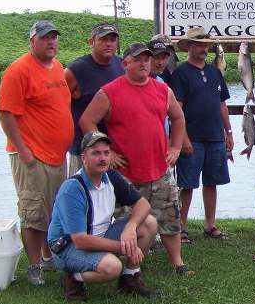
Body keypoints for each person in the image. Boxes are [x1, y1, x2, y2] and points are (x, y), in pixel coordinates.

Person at [79, 42, 192, 274]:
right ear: (125, 63)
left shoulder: (163, 90)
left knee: (170, 219)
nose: (144, 63)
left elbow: (178, 119)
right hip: (126, 175)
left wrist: (176, 147)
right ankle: (130, 268)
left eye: (147, 59)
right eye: (138, 59)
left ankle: (177, 262)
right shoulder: (109, 92)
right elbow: (86, 121)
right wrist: (107, 155)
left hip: (160, 170)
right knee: (128, 223)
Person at [0, 20, 74, 286]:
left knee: (52, 210)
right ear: (32, 41)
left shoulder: (58, 68)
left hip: (56, 156)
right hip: (32, 156)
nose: (51, 42)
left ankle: (47, 256)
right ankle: (33, 266)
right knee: (33, 212)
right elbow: (5, 112)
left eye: (54, 37)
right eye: (44, 38)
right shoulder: (18, 71)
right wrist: (23, 151)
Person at [46, 131, 157, 301]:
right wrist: (125, 247)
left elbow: (143, 204)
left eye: (106, 153)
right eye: (96, 153)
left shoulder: (110, 177)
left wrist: (130, 228)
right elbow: (80, 240)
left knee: (148, 223)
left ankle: (130, 278)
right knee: (112, 267)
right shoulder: (72, 189)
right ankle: (73, 279)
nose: (103, 158)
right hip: (68, 247)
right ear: (83, 158)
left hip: (101, 235)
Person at [170, 26, 234, 241]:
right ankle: (181, 227)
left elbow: (222, 104)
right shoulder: (180, 73)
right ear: (189, 46)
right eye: (199, 44)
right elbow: (176, 109)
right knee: (187, 184)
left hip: (215, 137)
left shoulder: (215, 71)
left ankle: (210, 225)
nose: (203, 49)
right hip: (192, 139)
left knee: (212, 182)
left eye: (206, 45)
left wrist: (229, 132)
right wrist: (183, 138)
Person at [64, 22, 124, 175]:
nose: (109, 44)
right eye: (103, 40)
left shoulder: (120, 64)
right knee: (83, 195)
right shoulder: (75, 70)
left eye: (112, 40)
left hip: (114, 148)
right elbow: (59, 107)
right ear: (91, 42)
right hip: (84, 149)